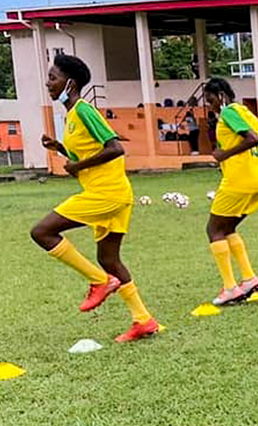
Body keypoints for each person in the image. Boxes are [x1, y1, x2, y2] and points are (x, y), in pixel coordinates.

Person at [30, 54, 161, 343]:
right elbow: (89, 155)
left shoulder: (84, 110)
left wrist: (76, 166)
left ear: (70, 83)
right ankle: (143, 320)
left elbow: (115, 148)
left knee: (42, 232)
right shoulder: (72, 116)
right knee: (109, 258)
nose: (48, 83)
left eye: (53, 78)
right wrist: (62, 149)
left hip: (107, 192)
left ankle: (98, 282)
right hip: (111, 192)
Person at [204, 78, 258, 307]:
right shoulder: (250, 114)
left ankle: (230, 287)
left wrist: (226, 155)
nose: (210, 105)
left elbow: (251, 140)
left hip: (238, 182)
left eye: (211, 99)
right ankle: (249, 278)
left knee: (213, 229)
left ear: (221, 95)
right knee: (227, 228)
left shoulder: (230, 112)